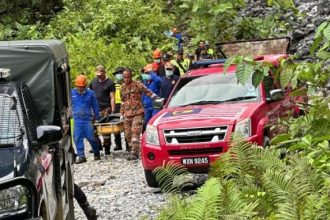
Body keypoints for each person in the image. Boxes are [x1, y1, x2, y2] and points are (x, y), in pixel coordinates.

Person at [120, 68, 159, 160]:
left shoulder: (137, 84)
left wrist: (157, 99)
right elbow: (122, 101)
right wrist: (121, 114)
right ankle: (131, 150)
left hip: (138, 112)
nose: (126, 79)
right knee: (128, 134)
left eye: (128, 77)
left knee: (135, 132)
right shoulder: (122, 88)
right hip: (127, 113)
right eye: (124, 78)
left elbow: (148, 92)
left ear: (131, 76)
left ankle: (135, 153)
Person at [71, 74, 101, 163]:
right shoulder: (72, 93)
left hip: (88, 120)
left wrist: (97, 118)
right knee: (77, 138)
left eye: (82, 87)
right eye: (78, 87)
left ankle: (96, 153)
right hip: (77, 120)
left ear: (85, 85)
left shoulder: (91, 94)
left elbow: (95, 106)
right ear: (76, 85)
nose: (80, 89)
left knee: (91, 138)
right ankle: (81, 156)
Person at [89, 65, 116, 155]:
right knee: (92, 129)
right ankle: (97, 145)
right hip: (95, 109)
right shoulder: (93, 82)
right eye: (97, 75)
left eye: (100, 75)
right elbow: (89, 94)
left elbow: (112, 97)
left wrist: (113, 110)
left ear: (104, 73)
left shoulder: (110, 83)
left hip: (105, 108)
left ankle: (107, 148)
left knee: (105, 130)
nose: (99, 76)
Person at [112, 67, 130, 151]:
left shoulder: (127, 83)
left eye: (120, 73)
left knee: (126, 125)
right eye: (117, 73)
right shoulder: (113, 83)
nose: (118, 75)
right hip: (116, 105)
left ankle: (128, 145)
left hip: (126, 105)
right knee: (116, 125)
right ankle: (118, 144)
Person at [142, 64, 161, 130]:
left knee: (154, 123)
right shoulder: (145, 82)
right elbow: (143, 94)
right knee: (146, 124)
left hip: (156, 105)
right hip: (147, 106)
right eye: (145, 73)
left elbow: (158, 81)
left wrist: (151, 72)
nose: (146, 74)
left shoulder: (156, 80)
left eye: (147, 73)